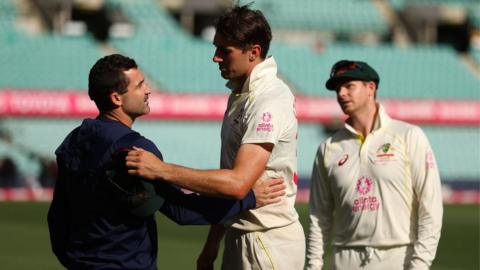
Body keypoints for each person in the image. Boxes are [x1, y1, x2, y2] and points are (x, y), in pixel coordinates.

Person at [47, 54, 285, 270]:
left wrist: (73, 259)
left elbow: (57, 215)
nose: (148, 90)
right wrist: (250, 197)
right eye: (140, 85)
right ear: (117, 98)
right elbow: (182, 211)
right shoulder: (135, 150)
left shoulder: (74, 141)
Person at [125, 4, 305, 270]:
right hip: (243, 233)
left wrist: (161, 170)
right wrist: (212, 245)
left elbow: (237, 184)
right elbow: (230, 180)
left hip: (267, 240)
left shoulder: (268, 100)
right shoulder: (241, 95)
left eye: (225, 50)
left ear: (253, 52)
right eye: (216, 47)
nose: (216, 57)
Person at [306, 60, 443, 270]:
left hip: (398, 258)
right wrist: (313, 266)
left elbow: (430, 206)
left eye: (349, 86)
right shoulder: (328, 149)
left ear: (371, 88)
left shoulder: (408, 136)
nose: (341, 93)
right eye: (337, 89)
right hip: (344, 259)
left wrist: (420, 264)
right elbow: (319, 217)